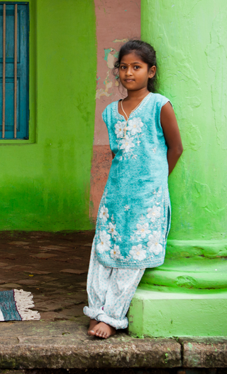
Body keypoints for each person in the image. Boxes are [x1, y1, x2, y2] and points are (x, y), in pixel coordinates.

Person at [84, 40, 183, 338]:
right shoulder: (110, 112)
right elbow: (118, 154)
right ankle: (95, 310)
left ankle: (112, 317)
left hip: (147, 198)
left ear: (150, 71)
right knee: (104, 249)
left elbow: (176, 148)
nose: (129, 72)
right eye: (124, 67)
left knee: (132, 256)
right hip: (116, 195)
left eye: (136, 67)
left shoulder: (159, 105)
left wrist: (155, 184)